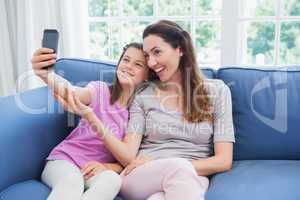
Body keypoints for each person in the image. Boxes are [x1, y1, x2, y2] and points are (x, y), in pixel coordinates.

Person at [59, 20, 235, 200]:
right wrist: (46, 75)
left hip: (190, 176)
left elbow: (223, 160)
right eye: (147, 55)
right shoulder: (143, 94)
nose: (151, 62)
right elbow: (128, 153)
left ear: (180, 48)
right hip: (141, 174)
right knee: (180, 172)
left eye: (157, 52)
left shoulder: (218, 91)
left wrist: (175, 165)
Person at [31, 42, 150, 200]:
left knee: (113, 180)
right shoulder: (100, 91)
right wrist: (47, 75)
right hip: (64, 160)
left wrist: (109, 167)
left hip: (93, 170)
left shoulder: (140, 114)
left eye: (138, 64)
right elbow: (72, 92)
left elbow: (128, 159)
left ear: (147, 75)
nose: (128, 66)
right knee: (72, 181)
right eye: (126, 60)